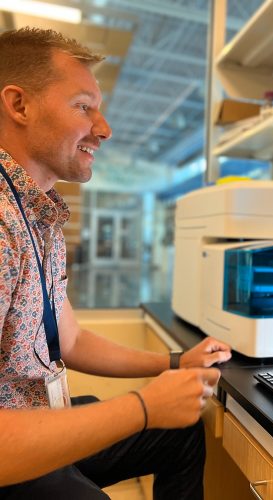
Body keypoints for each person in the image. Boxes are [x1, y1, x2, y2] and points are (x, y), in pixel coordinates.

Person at [0, 27, 231, 498]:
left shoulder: (38, 217)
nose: (104, 129)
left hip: (37, 413)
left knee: (180, 433)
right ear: (19, 105)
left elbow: (72, 338)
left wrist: (174, 363)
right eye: (83, 107)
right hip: (11, 452)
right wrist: (144, 406)